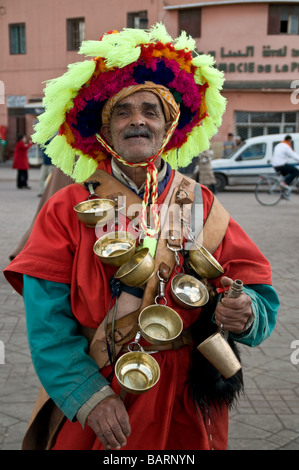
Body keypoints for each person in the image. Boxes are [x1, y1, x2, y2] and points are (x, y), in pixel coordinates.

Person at [4, 24, 279, 451]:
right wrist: (88, 398)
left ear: (168, 126)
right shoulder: (64, 209)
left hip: (188, 399)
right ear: (105, 130)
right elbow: (47, 325)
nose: (137, 121)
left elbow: (257, 289)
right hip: (101, 389)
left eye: (150, 111)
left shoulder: (200, 201)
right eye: (123, 111)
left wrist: (246, 311)